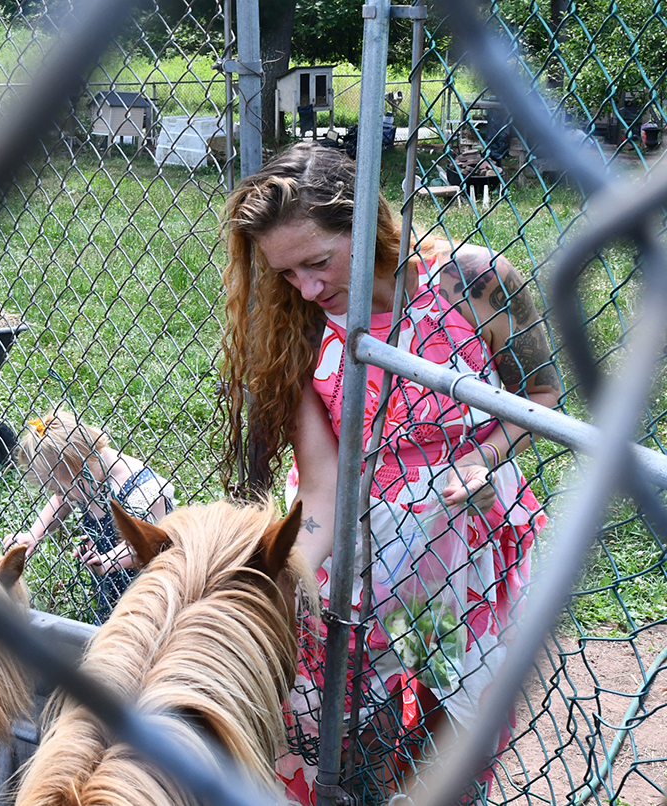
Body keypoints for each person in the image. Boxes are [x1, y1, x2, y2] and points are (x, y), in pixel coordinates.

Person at [218, 142, 558, 804]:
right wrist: (288, 579)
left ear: (368, 222)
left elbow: (540, 397)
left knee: (456, 734)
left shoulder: (473, 280)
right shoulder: (299, 323)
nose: (308, 289)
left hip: (467, 530)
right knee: (310, 707)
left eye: (317, 262)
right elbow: (320, 483)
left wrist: (482, 456)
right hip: (354, 530)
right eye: (287, 274)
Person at [3, 409, 175, 624]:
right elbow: (61, 501)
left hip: (151, 596)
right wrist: (34, 534)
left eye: (60, 487)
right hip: (111, 592)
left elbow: (146, 547)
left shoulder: (143, 489)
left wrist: (108, 561)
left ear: (81, 466)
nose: (59, 495)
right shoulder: (86, 480)